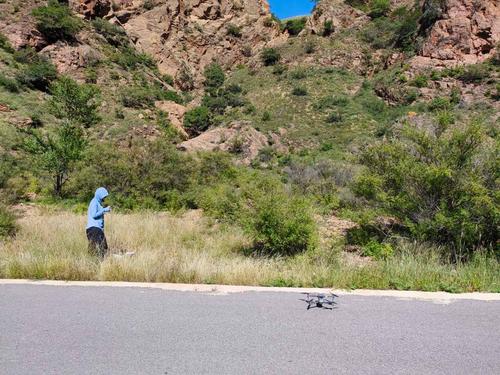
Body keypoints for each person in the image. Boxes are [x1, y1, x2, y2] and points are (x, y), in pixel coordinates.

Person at [86, 187, 111, 259]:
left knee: (104, 247)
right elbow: (94, 215)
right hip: (94, 228)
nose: (104, 198)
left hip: (98, 229)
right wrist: (104, 210)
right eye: (103, 196)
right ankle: (94, 264)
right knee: (95, 249)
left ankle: (101, 263)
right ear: (99, 195)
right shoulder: (94, 202)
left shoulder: (98, 203)